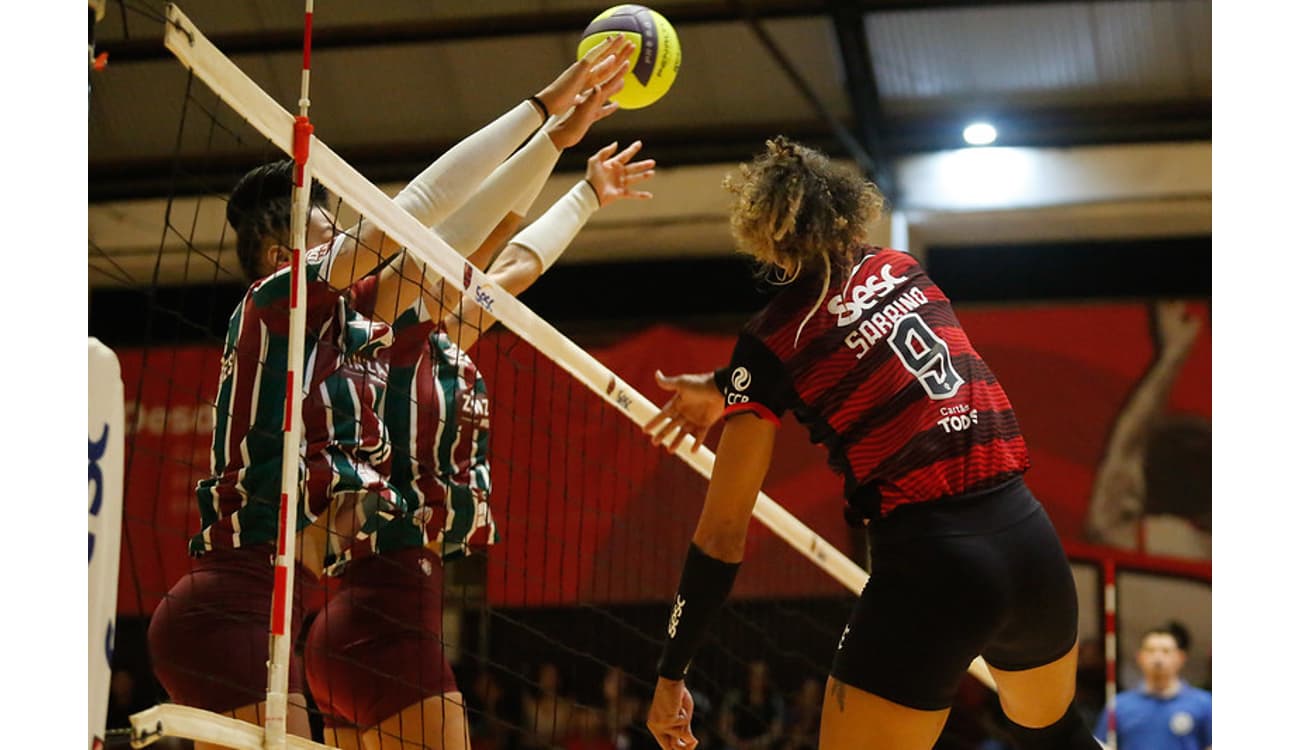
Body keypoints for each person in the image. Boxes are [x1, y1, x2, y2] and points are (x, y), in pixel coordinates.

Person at [147, 35, 635, 748]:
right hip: (240, 604)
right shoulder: (274, 304)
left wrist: (554, 142)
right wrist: (540, 105)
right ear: (290, 252)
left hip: (292, 607)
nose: (344, 231)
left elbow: (460, 247)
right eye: (327, 226)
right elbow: (422, 208)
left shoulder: (356, 328)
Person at [642, 137, 1097, 750]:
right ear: (845, 209)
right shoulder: (901, 267)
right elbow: (865, 345)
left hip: (932, 567)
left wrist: (672, 673)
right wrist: (729, 388)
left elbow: (723, 533)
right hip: (1030, 547)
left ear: (763, 237)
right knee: (1057, 738)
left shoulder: (773, 338)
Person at [1094, 624, 1211, 750]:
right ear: (1140, 657)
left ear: (1180, 658)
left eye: (1166, 651)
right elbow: (1103, 745)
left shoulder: (1204, 703)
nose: (1158, 658)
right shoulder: (1118, 705)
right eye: (1151, 650)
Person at [716, 661, 784, 750]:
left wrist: (755, 744)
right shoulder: (735, 697)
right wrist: (737, 743)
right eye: (754, 675)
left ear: (766, 679)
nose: (757, 679)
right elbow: (723, 727)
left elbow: (776, 732)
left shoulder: (774, 701)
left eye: (761, 676)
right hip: (735, 745)